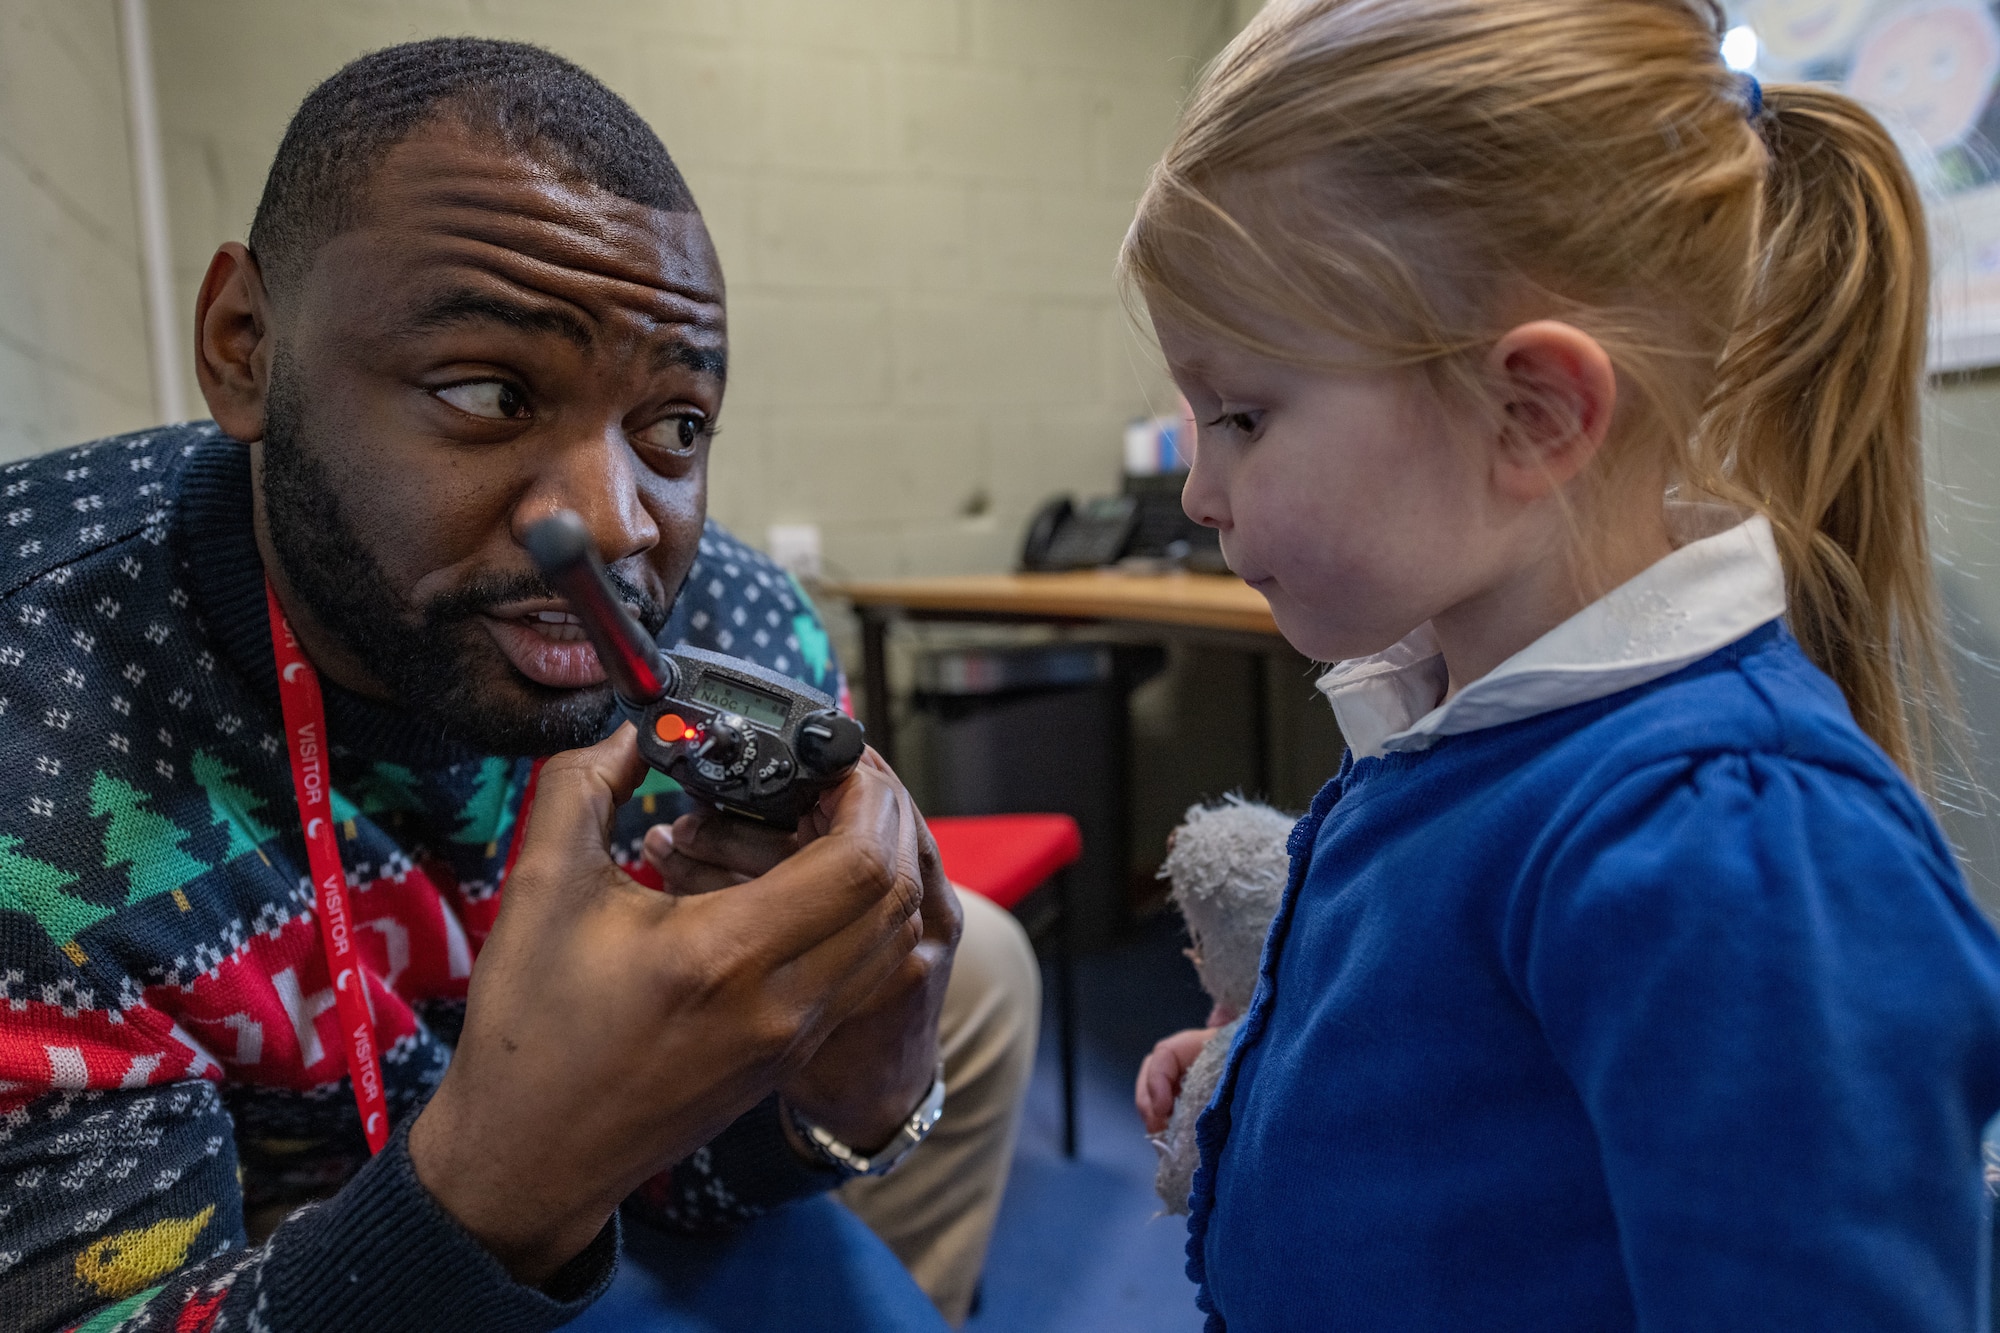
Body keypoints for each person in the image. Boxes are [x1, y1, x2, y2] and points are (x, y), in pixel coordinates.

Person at [0, 39, 1038, 1333]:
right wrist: (508, 1179)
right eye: (492, 391)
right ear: (243, 347)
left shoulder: (737, 632)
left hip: (540, 1177)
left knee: (979, 960)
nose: (616, 524)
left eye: (675, 426)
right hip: (263, 1225)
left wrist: (840, 1104)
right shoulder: (30, 724)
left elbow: (691, 1174)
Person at [1125, 1, 2000, 1328]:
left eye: (1245, 414)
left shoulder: (1723, 842)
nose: (1201, 490)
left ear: (1530, 414)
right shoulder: (1475, 727)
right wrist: (1286, 1074)